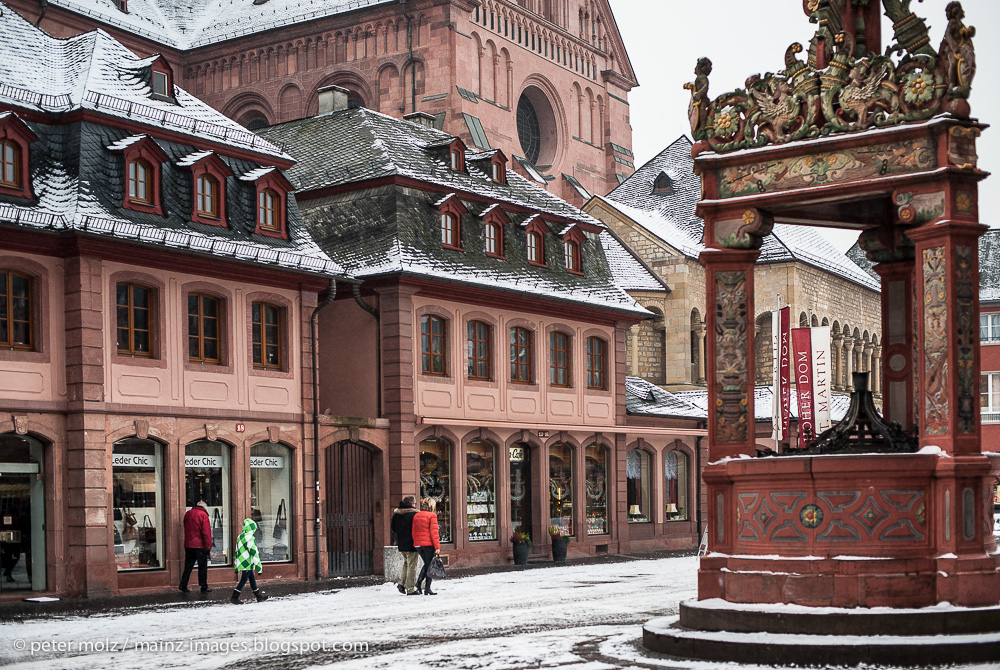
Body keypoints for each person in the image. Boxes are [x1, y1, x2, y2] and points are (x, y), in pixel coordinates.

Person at [231, 518, 268, 604]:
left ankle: (259, 596)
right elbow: (254, 552)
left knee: (252, 579)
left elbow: (237, 551)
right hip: (247, 562)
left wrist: (236, 564)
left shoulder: (240, 536)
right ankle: (234, 597)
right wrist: (258, 566)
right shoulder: (250, 538)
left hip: (242, 561)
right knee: (243, 580)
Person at [178, 501, 213, 593]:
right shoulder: (203, 515)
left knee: (188, 566)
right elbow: (206, 533)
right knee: (202, 567)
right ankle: (203, 586)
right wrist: (208, 546)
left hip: (189, 544)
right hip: (200, 545)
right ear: (204, 508)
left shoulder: (188, 513)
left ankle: (183, 585)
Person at [390, 496, 419, 595]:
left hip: (401, 543)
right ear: (412, 503)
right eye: (414, 503)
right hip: (412, 543)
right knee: (412, 566)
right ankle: (410, 588)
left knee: (406, 563)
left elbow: (393, 528)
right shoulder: (414, 514)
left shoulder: (397, 514)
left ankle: (401, 583)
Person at [413, 498, 441, 596]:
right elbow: (434, 533)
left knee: (427, 564)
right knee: (429, 566)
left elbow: (414, 531)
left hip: (418, 544)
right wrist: (437, 547)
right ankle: (425, 587)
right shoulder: (432, 516)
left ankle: (421, 585)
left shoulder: (416, 515)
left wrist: (416, 543)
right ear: (431, 506)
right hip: (428, 544)